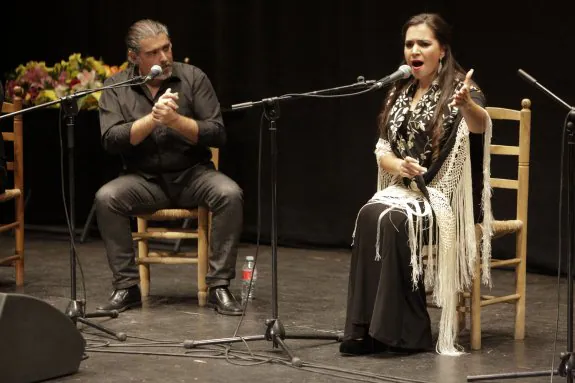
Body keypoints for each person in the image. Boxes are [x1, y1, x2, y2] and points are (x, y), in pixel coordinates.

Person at [340, 13, 493, 356]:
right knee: (368, 215)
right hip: (406, 191)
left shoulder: (461, 89)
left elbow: (481, 125)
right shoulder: (401, 88)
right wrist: (401, 166)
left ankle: (405, 332)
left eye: (424, 43)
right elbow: (383, 150)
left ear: (442, 50)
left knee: (392, 221)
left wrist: (467, 105)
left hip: (446, 197)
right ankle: (366, 328)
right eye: (409, 44)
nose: (414, 50)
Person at [95, 19, 244, 316]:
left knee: (230, 193)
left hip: (193, 175)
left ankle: (219, 286)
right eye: (153, 53)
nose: (164, 58)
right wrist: (152, 119)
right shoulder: (116, 86)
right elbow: (112, 140)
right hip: (144, 181)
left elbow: (218, 133)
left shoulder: (193, 78)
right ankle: (127, 286)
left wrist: (176, 121)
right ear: (134, 57)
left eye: (167, 48)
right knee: (106, 198)